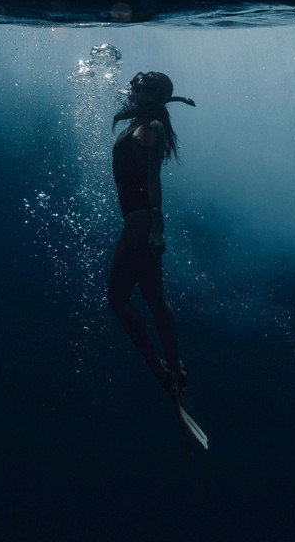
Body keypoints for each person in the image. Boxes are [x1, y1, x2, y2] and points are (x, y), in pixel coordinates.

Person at [108, 71, 195, 399]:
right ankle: (175, 371)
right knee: (154, 298)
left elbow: (154, 180)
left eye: (137, 87)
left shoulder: (151, 129)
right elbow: (125, 96)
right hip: (138, 223)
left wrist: (156, 229)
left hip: (140, 224)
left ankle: (165, 372)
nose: (130, 90)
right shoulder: (141, 124)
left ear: (149, 96)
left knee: (118, 299)